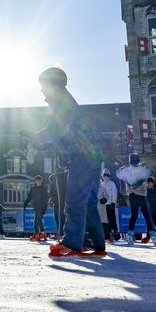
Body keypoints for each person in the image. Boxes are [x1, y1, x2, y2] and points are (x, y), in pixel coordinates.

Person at [29, 67, 106, 257]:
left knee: (74, 201)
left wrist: (35, 141)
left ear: (54, 84)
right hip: (91, 156)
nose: (41, 90)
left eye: (43, 85)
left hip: (83, 156)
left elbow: (57, 129)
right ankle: (98, 244)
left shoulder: (61, 101)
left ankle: (72, 243)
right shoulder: (63, 101)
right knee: (87, 202)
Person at [116, 153, 153, 244]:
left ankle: (130, 234)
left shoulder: (126, 170)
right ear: (138, 161)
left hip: (132, 195)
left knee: (134, 215)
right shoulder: (142, 170)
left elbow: (118, 173)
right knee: (147, 216)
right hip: (141, 195)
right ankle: (152, 234)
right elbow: (151, 171)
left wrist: (123, 168)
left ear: (130, 161)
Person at [23, 175, 50, 241]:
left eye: (40, 181)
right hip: (36, 207)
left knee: (38, 220)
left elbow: (46, 199)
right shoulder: (33, 189)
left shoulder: (44, 189)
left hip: (41, 207)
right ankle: (36, 234)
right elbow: (29, 197)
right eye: (37, 181)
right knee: (35, 222)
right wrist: (25, 204)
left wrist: (44, 208)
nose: (39, 182)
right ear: (35, 181)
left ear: (41, 181)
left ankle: (43, 232)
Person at [98, 171, 120, 242]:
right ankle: (108, 233)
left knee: (112, 219)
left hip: (110, 204)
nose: (106, 177)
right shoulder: (101, 184)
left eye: (107, 175)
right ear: (103, 176)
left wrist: (113, 202)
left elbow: (114, 193)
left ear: (109, 176)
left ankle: (116, 233)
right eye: (104, 175)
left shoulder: (112, 184)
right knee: (105, 220)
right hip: (103, 206)